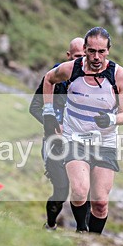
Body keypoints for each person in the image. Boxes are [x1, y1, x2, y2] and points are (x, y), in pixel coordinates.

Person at [41, 27, 123, 234]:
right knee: (80, 191)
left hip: (104, 142)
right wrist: (48, 111)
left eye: (101, 51)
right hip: (74, 138)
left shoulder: (119, 76)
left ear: (108, 50)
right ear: (84, 49)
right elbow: (48, 79)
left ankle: (94, 239)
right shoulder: (71, 69)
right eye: (91, 51)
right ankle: (82, 231)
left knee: (100, 202)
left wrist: (111, 118)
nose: (96, 57)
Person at [29, 37, 85, 230]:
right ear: (68, 56)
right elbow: (34, 107)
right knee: (61, 190)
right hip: (54, 143)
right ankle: (51, 225)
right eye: (78, 56)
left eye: (85, 56)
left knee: (82, 189)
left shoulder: (94, 80)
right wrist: (53, 124)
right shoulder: (54, 76)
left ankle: (83, 232)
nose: (82, 61)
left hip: (80, 144)